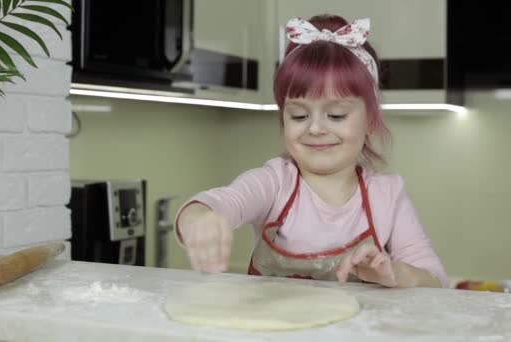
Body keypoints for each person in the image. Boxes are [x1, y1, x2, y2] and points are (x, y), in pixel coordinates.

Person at [174, 14, 447, 288]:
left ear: (370, 121)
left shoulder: (387, 196)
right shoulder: (274, 184)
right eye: (299, 116)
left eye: (336, 115)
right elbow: (221, 202)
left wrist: (395, 273)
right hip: (274, 330)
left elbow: (435, 280)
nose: (315, 128)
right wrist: (200, 220)